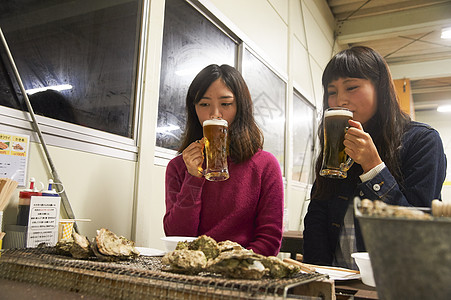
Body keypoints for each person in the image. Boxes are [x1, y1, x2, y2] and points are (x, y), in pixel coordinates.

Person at [303, 46, 447, 269]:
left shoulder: (422, 141)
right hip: (338, 283)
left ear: (379, 89)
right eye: (332, 91)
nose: (340, 99)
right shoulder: (335, 143)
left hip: (395, 282)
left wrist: (373, 167)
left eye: (351, 87)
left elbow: (419, 232)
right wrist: (319, 275)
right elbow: (317, 218)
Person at [163, 64, 284, 256]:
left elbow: (269, 241)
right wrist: (193, 179)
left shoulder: (265, 165)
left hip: (242, 273)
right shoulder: (178, 167)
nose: (215, 114)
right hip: (193, 271)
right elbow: (177, 237)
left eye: (226, 104)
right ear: (193, 109)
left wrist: (228, 266)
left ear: (240, 107)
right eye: (204, 104)